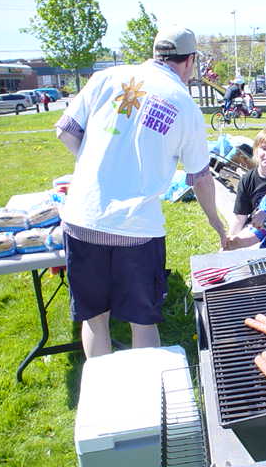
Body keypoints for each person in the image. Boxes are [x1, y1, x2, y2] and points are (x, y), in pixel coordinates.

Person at [54, 25, 226, 358]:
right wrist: (217, 225)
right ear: (190, 61)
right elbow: (201, 178)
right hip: (137, 230)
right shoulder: (184, 104)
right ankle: (145, 390)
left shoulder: (107, 77)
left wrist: (98, 168)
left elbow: (66, 131)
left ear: (156, 54)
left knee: (95, 320)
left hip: (82, 219)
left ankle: (103, 387)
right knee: (143, 322)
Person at [229, 128, 266, 236]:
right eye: (264, 148)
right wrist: (230, 241)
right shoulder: (247, 179)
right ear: (256, 151)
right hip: (255, 229)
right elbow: (240, 218)